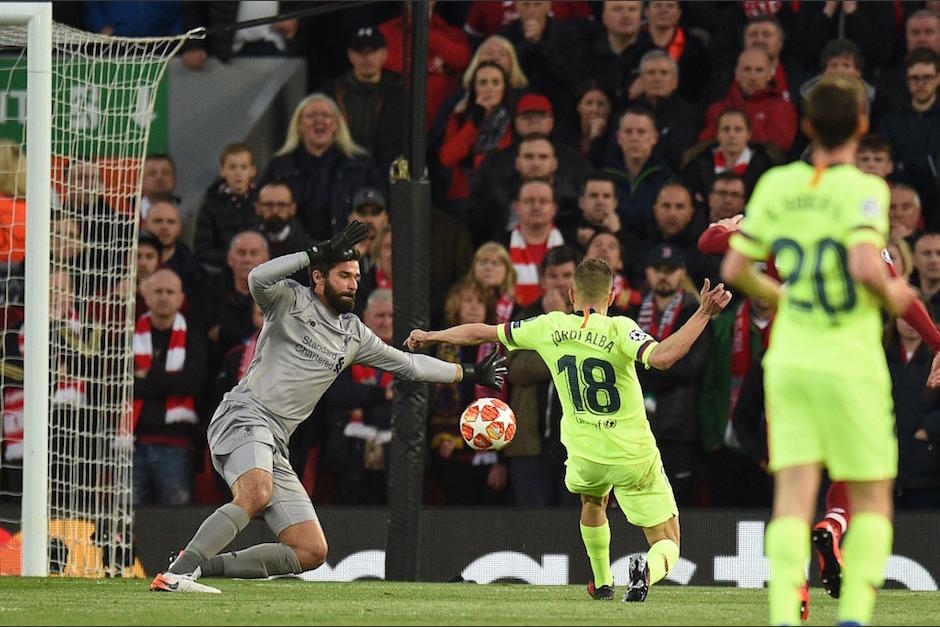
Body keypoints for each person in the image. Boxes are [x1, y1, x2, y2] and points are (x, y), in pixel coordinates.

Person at [150, 221, 507, 593]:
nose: (353, 284)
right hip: (244, 415)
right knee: (255, 493)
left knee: (310, 550)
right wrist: (312, 251)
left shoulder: (353, 334)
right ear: (318, 277)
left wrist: (467, 372)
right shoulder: (289, 300)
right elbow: (257, 277)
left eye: (355, 276)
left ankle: (196, 565)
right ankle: (178, 574)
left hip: (277, 441)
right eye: (343, 276)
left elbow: (409, 364)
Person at [406, 258, 731, 602]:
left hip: (584, 453)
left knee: (592, 500)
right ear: (612, 295)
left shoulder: (549, 326)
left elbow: (481, 331)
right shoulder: (620, 329)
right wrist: (703, 314)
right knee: (668, 541)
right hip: (631, 452)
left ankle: (602, 582)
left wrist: (432, 335)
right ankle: (645, 572)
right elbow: (664, 357)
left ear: (571, 293)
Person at [719, 75, 917, 626]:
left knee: (793, 499)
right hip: (850, 359)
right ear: (860, 125)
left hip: (789, 360)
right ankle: (852, 617)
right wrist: (893, 292)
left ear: (805, 126)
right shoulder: (864, 188)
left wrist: (781, 293)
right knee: (872, 497)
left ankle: (787, 616)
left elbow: (734, 268)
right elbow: (861, 263)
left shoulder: (777, 185)